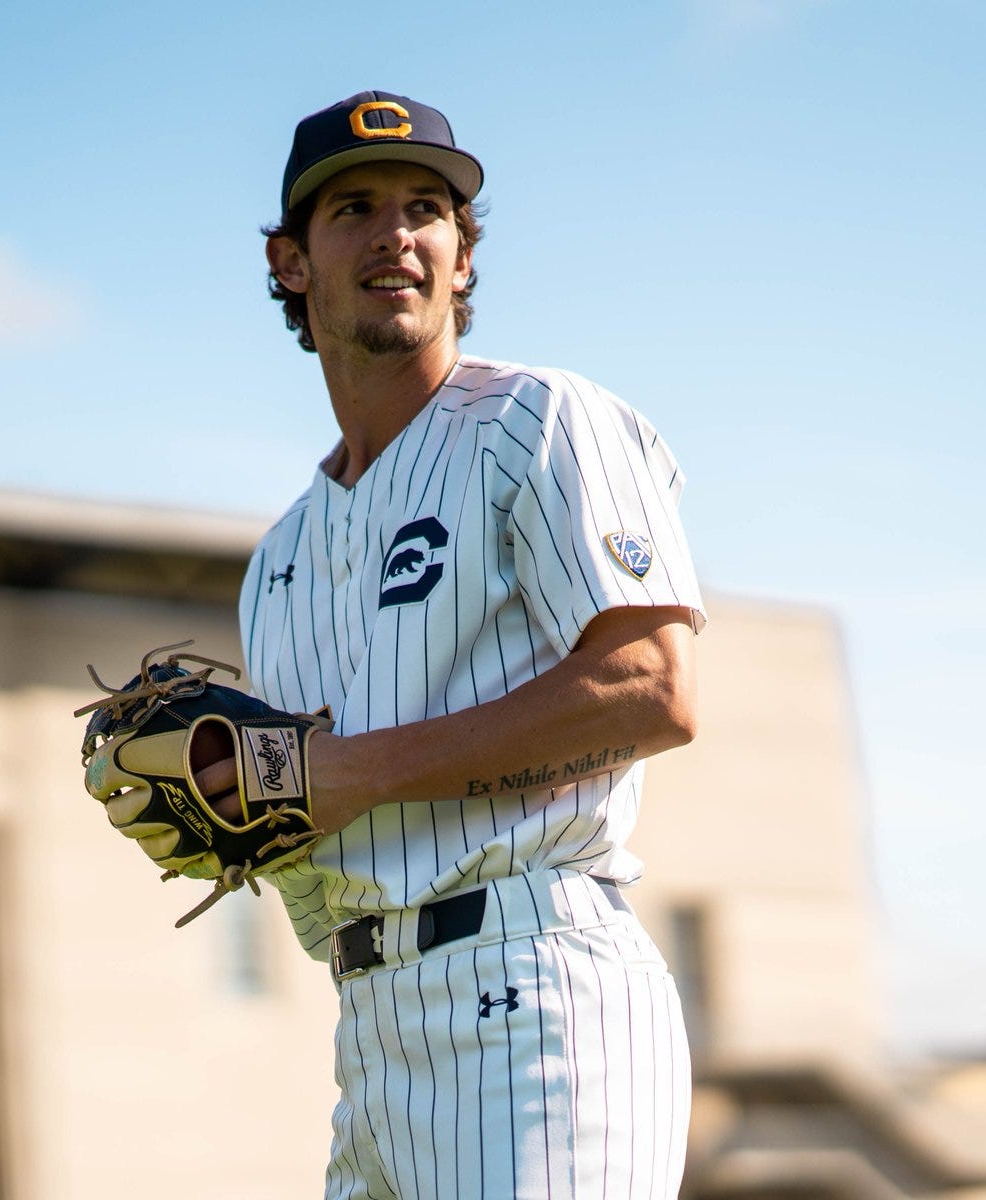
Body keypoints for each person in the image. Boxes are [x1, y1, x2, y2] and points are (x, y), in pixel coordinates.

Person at [205, 90, 706, 1199]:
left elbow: (651, 689)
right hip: (369, 1026)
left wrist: (339, 775)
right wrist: (229, 814)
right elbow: (311, 815)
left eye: (428, 208)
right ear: (292, 261)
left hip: (540, 991)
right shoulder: (277, 559)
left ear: (462, 257)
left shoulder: (540, 420)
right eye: (356, 208)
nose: (399, 233)